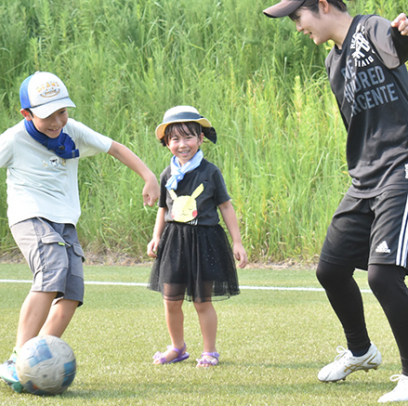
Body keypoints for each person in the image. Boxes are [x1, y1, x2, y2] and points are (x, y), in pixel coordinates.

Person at [0, 71, 160, 392]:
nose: (57, 121)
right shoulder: (14, 139)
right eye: (47, 115)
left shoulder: (72, 130)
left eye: (62, 111)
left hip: (64, 221)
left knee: (71, 292)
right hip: (29, 216)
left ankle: (36, 364)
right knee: (52, 269)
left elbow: (115, 148)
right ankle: (18, 359)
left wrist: (148, 176)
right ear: (26, 114)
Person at [263, 0, 408, 402]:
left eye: (297, 17)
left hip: (401, 169)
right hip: (363, 179)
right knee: (330, 269)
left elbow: (398, 43)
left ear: (322, 5)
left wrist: (404, 31)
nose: (296, 27)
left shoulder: (375, 29)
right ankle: (361, 351)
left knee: (383, 276)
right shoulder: (332, 63)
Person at [146, 105, 248, 368]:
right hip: (174, 242)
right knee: (170, 301)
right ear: (167, 143)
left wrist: (237, 241)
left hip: (205, 242)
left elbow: (225, 206)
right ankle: (177, 348)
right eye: (175, 139)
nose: (183, 144)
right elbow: (163, 209)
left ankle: (209, 351)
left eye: (189, 137)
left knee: (202, 302)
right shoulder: (167, 174)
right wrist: (156, 236)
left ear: (201, 138)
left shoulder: (210, 172)